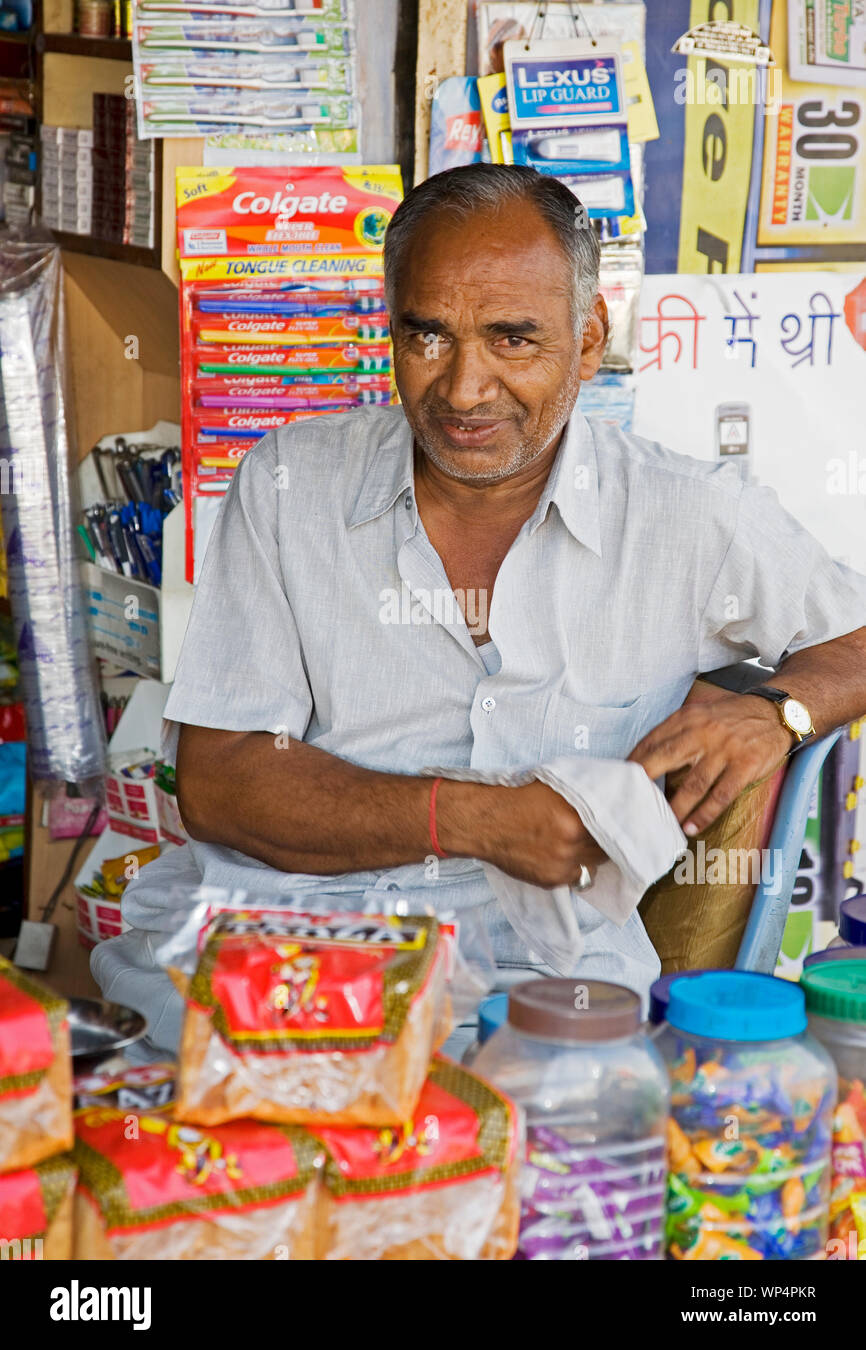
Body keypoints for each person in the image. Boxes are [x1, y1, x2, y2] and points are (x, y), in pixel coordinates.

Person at [92, 164, 866, 1054]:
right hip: (276, 953)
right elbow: (222, 782)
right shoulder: (289, 483)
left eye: (512, 340)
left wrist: (780, 713)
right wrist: (477, 819)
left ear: (587, 341)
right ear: (390, 330)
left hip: (536, 985)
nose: (464, 390)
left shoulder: (689, 515)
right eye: (429, 336)